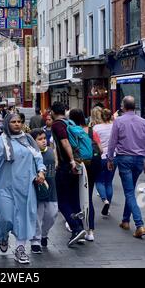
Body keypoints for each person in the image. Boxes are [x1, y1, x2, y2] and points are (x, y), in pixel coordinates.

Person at [0, 114, 46, 264]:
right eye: (13, 122)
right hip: (5, 187)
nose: (17, 124)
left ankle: (20, 249)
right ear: (6, 123)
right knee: (6, 218)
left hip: (25, 187)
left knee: (23, 218)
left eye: (19, 122)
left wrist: (41, 172)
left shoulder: (29, 140)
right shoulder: (0, 142)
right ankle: (3, 236)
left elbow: (38, 158)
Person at [107, 96, 145, 239]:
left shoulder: (119, 121)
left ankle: (139, 225)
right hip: (139, 159)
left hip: (124, 159)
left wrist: (110, 158)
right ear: (134, 107)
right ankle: (125, 220)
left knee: (129, 192)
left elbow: (112, 142)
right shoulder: (143, 122)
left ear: (123, 106)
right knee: (131, 189)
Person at [51, 102, 86, 247]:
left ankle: (76, 228)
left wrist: (71, 161)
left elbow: (64, 142)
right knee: (74, 198)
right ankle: (81, 230)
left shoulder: (57, 124)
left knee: (62, 201)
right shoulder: (70, 122)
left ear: (53, 112)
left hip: (66, 165)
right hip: (77, 164)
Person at [68, 109, 102, 242]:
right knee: (89, 197)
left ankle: (78, 228)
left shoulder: (71, 130)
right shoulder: (91, 130)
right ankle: (90, 231)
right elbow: (101, 149)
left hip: (79, 165)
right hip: (93, 165)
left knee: (76, 196)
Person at [30, 128, 58, 253]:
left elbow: (56, 165)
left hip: (52, 190)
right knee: (37, 216)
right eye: (39, 139)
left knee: (52, 214)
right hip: (37, 190)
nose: (43, 141)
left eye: (44, 138)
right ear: (33, 141)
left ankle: (44, 234)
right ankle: (35, 240)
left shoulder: (51, 151)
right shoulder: (30, 154)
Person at [94, 109, 117, 217]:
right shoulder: (114, 126)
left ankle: (105, 201)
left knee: (99, 180)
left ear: (101, 117)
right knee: (108, 182)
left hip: (100, 156)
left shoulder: (96, 128)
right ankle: (108, 207)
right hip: (113, 156)